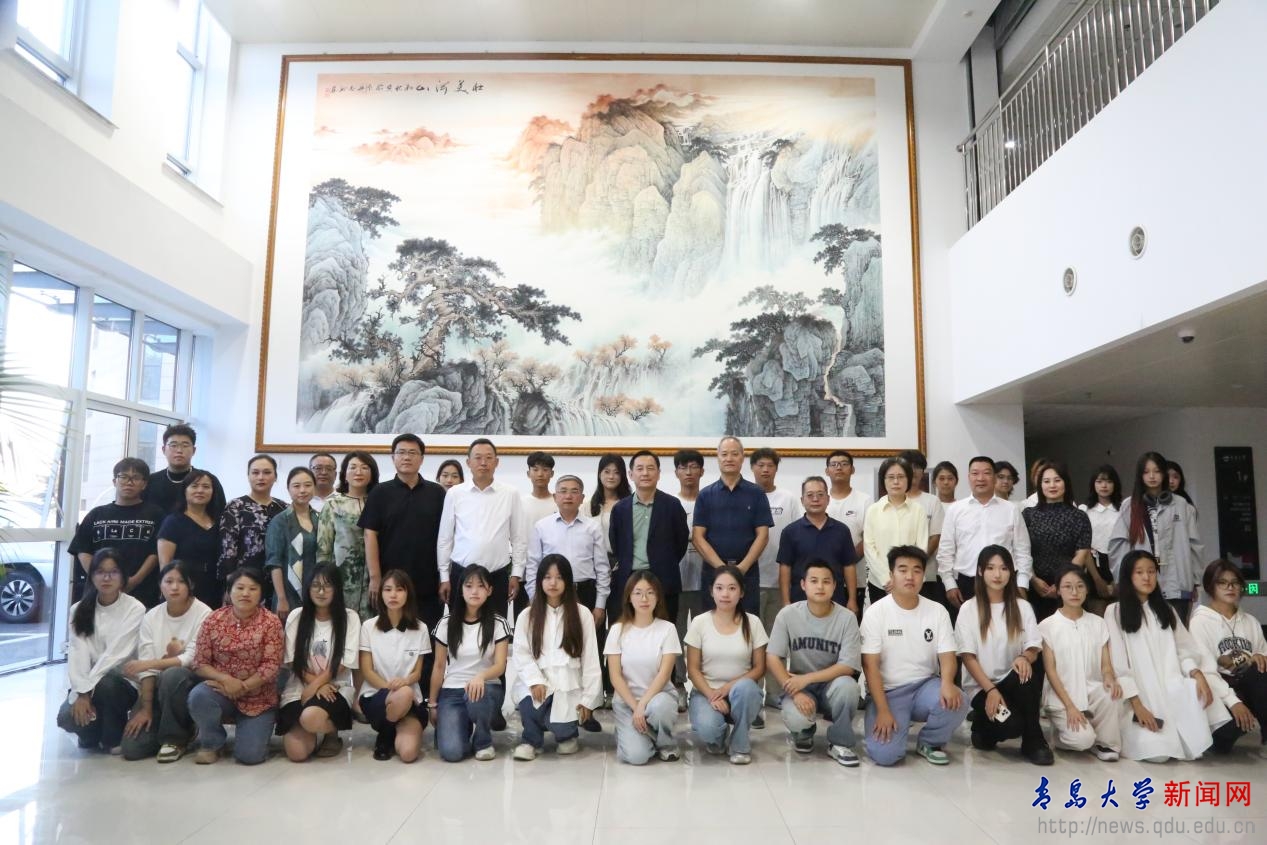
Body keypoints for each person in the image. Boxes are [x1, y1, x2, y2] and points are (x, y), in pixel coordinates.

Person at [1105, 550, 1227, 762]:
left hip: (1171, 688)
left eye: (1151, 571)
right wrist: (1137, 705)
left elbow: (1184, 650)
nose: (1147, 577)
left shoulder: (1166, 609)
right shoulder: (1115, 611)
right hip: (1138, 696)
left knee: (1205, 712)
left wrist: (1196, 673)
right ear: (1128, 576)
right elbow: (1119, 665)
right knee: (1158, 754)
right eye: (1139, 572)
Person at [861, 546, 968, 766]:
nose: (910, 576)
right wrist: (883, 710)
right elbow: (870, 666)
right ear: (891, 575)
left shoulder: (937, 611)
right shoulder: (875, 613)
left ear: (923, 575)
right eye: (903, 570)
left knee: (958, 700)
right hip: (888, 693)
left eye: (917, 570)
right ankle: (887, 725)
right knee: (886, 756)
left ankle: (929, 742)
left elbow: (948, 655)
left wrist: (947, 683)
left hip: (925, 686)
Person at [360, 434, 446, 690]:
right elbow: (370, 534)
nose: (406, 457)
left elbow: (447, 537)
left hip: (428, 584)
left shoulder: (437, 493)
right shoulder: (380, 492)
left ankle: (426, 700)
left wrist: (445, 577)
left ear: (422, 458)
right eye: (401, 452)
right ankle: (386, 694)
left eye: (412, 452)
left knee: (426, 644)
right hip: (391, 587)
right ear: (392, 457)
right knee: (390, 643)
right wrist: (375, 577)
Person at [955, 545, 1053, 765]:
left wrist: (1025, 657)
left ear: (1011, 572)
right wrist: (990, 690)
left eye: (1004, 568)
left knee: (1027, 673)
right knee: (1012, 725)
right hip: (982, 687)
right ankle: (982, 727)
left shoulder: (1022, 607)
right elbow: (968, 657)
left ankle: (1034, 741)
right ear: (980, 571)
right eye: (991, 568)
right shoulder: (969, 609)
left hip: (1013, 681)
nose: (997, 574)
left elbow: (1033, 647)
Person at [527, 474, 609, 732]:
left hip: (584, 591)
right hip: (550, 593)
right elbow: (533, 565)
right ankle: (550, 702)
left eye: (574, 491)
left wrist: (600, 604)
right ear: (555, 496)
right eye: (563, 491)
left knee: (589, 652)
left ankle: (589, 708)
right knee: (556, 649)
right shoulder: (542, 526)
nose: (568, 495)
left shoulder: (592, 527)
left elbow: (602, 567)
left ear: (582, 497)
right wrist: (534, 602)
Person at [766, 560, 863, 765]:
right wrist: (796, 692)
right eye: (814, 581)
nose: (820, 586)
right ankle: (804, 733)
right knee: (796, 718)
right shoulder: (788, 614)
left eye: (826, 581)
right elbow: (773, 656)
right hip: (800, 687)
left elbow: (848, 666)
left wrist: (807, 678)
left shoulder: (847, 618)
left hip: (832, 685)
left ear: (835, 586)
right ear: (803, 585)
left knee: (849, 687)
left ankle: (840, 742)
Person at [188, 567, 284, 765]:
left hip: (259, 698)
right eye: (240, 588)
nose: (246, 593)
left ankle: (251, 732)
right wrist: (226, 680)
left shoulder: (271, 622)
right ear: (229, 592)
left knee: (250, 756)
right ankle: (212, 743)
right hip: (221, 691)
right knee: (199, 696)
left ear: (261, 594)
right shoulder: (213, 620)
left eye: (253, 589)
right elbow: (200, 662)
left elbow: (271, 665)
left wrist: (244, 686)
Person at [510, 555, 602, 760]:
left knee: (562, 730)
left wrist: (588, 700)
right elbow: (521, 653)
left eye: (559, 577)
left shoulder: (582, 614)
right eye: (547, 577)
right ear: (539, 581)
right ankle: (531, 740)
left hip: (568, 686)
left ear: (568, 581)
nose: (553, 583)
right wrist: (535, 681)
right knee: (530, 704)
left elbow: (591, 660)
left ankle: (567, 735)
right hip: (538, 686)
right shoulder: (527, 615)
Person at [120, 561, 213, 762]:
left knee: (173, 674)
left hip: (188, 684)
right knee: (132, 749)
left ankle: (176, 738)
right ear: (160, 585)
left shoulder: (204, 613)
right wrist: (146, 709)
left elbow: (190, 658)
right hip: (156, 686)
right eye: (168, 581)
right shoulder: (152, 616)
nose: (174, 587)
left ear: (190, 585)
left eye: (181, 581)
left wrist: (148, 664)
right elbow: (146, 668)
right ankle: (161, 730)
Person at [57, 549, 146, 754]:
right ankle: (91, 733)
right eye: (100, 572)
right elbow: (78, 653)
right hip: (88, 682)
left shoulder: (135, 608)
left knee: (107, 684)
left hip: (121, 681)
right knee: (65, 718)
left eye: (113, 572)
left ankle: (112, 737)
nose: (106, 578)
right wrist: (81, 692)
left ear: (123, 576)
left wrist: (87, 690)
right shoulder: (79, 609)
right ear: (92, 576)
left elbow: (116, 655)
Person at [1038, 565, 1123, 761]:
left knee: (1111, 693)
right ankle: (1062, 735)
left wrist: (1109, 677)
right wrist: (1070, 706)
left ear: (1087, 589)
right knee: (1082, 741)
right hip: (1062, 697)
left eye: (1080, 586)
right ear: (1058, 590)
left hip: (1091, 690)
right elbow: (1051, 672)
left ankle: (1105, 743)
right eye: (1067, 586)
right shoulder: (1047, 626)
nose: (1074, 592)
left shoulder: (1098, 623)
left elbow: (1105, 665)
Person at [684, 565, 768, 765]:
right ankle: (719, 736)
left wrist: (727, 688)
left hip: (741, 692)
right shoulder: (700, 622)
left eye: (732, 588)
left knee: (747, 689)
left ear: (742, 592)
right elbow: (692, 669)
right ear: (711, 591)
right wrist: (711, 694)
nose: (725, 594)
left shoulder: (753, 622)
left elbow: (759, 668)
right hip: (706, 693)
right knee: (710, 731)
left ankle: (740, 742)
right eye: (719, 588)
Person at [278, 564, 360, 762]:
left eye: (327, 586)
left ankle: (331, 733)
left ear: (337, 589)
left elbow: (344, 662)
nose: (321, 592)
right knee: (296, 754)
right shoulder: (297, 616)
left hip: (335, 687)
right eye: (315, 585)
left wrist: (316, 685)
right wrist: (315, 686)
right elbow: (292, 660)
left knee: (310, 717)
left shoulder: (350, 617)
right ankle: (312, 731)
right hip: (299, 687)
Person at [1108, 452, 1203, 625]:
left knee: (1178, 632)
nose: (1152, 476)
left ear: (1164, 474)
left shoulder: (1181, 505)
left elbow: (1194, 545)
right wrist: (1122, 578)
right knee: (1146, 632)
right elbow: (1118, 545)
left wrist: (1196, 581)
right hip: (1141, 583)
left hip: (1177, 583)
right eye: (1146, 472)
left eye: (1157, 471)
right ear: (1140, 475)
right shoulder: (1130, 505)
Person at [437, 438, 528, 616]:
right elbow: (445, 539)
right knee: (459, 626)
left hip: (497, 576)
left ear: (497, 462)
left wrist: (516, 574)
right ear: (468, 462)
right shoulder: (455, 493)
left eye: (488, 457)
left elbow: (519, 538)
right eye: (478, 457)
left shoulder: (510, 493)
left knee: (496, 627)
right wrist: (444, 577)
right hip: (461, 574)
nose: (483, 463)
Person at [430, 565, 512, 762]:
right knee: (452, 753)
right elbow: (439, 666)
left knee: (476, 695)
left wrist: (480, 676)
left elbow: (500, 666)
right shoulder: (446, 623)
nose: (474, 591)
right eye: (468, 586)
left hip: (487, 689)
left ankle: (483, 741)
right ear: (461, 589)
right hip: (452, 691)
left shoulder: (498, 623)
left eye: (481, 586)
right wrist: (432, 704)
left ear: (489, 590)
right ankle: (461, 724)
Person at [1184, 560, 1265, 757]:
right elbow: (1206, 671)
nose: (1230, 587)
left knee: (1258, 669)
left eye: (1235, 582)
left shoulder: (1251, 622)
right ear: (1210, 586)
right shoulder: (1200, 622)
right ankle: (1222, 733)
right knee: (1225, 738)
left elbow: (1264, 653)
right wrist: (1233, 701)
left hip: (1249, 685)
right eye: (1222, 582)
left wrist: (1260, 656)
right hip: (1219, 691)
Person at [938, 456, 1033, 617]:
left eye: (986, 473)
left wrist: (1022, 584)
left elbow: (1022, 550)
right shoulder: (955, 510)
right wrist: (949, 584)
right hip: (966, 584)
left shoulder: (1011, 509)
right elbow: (945, 551)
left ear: (994, 477)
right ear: (968, 477)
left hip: (1004, 582)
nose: (980, 478)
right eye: (975, 473)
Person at [604, 571, 682, 764]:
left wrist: (642, 705)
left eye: (650, 592)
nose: (644, 599)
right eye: (637, 593)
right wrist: (635, 706)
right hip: (627, 702)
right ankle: (634, 734)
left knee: (659, 708)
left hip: (659, 697)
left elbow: (664, 675)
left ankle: (665, 743)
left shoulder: (667, 629)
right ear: (629, 597)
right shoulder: (617, 630)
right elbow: (615, 677)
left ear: (658, 597)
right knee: (637, 757)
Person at [69, 458, 166, 607]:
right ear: (115, 481)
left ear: (144, 484)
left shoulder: (156, 514)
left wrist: (134, 581)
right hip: (99, 593)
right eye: (123, 477)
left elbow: (156, 553)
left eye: (136, 478)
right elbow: (83, 550)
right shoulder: (96, 514)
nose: (129, 482)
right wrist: (100, 577)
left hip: (142, 592)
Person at [693, 436, 773, 613]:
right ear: (718, 458)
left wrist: (742, 568)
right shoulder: (705, 495)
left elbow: (763, 535)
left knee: (748, 622)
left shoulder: (756, 493)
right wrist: (721, 569)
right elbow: (698, 537)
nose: (729, 458)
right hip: (713, 572)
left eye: (734, 454)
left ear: (742, 458)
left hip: (747, 572)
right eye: (724, 454)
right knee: (712, 622)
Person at [359, 570, 431, 763]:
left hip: (409, 698)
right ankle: (385, 734)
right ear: (380, 594)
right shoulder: (369, 627)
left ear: (408, 594)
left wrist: (405, 682)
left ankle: (390, 730)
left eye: (399, 590)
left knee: (408, 754)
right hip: (376, 695)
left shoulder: (421, 628)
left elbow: (417, 672)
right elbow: (367, 670)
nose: (393, 595)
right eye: (388, 589)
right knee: (403, 693)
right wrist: (390, 687)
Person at [609, 450, 690, 621]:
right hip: (629, 582)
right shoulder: (620, 509)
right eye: (640, 468)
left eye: (650, 468)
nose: (645, 473)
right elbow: (616, 544)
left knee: (664, 629)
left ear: (659, 474)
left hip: (664, 582)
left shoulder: (672, 506)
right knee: (628, 629)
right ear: (631, 474)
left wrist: (664, 563)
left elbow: (681, 542)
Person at [749, 448, 802, 663]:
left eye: (770, 465)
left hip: (780, 581)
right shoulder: (746, 496)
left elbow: (797, 535)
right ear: (752, 468)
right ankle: (752, 682)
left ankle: (775, 684)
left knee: (776, 641)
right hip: (751, 579)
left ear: (776, 469)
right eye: (760, 465)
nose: (765, 470)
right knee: (751, 641)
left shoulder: (788, 499)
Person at [1023, 461, 1093, 622]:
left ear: (1065, 483)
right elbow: (1022, 551)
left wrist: (1062, 582)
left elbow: (1082, 553)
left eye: (1057, 480)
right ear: (1040, 485)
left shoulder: (1079, 516)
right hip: (1036, 586)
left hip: (1070, 586)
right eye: (1046, 481)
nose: (1052, 485)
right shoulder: (1028, 515)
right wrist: (1033, 578)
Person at [778, 477, 858, 611]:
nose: (815, 499)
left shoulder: (842, 530)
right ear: (802, 500)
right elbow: (785, 568)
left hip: (836, 601)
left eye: (820, 495)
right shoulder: (790, 532)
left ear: (828, 499)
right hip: (799, 601)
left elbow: (849, 566)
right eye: (810, 495)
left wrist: (852, 599)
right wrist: (786, 601)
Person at [316, 450, 379, 620]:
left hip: (375, 579)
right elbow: (323, 549)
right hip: (342, 577)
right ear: (344, 474)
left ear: (372, 474)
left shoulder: (380, 502)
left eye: (364, 468)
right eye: (353, 467)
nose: (358, 472)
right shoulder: (333, 504)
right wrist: (324, 581)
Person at [216, 455, 285, 602]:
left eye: (267, 472)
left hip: (277, 584)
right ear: (248, 476)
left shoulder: (284, 508)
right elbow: (228, 550)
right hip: (244, 584)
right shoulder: (236, 506)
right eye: (255, 472)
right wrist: (230, 586)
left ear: (275, 477)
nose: (261, 477)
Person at [863, 457, 929, 607]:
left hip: (910, 581)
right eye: (891, 477)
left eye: (901, 477)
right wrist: (886, 578)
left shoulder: (918, 510)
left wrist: (905, 576)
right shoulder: (873, 510)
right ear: (883, 480)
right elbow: (869, 547)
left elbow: (921, 547)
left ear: (908, 480)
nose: (896, 482)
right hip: (880, 584)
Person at [157, 469, 223, 608]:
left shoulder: (220, 522)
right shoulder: (173, 522)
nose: (200, 490)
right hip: (183, 586)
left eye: (206, 486)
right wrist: (167, 589)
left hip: (215, 588)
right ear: (185, 491)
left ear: (213, 491)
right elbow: (165, 563)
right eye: (194, 486)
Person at [672, 448, 706, 710]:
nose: (689, 472)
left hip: (706, 583)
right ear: (676, 472)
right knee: (675, 637)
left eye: (694, 466)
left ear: (702, 471)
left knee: (705, 637)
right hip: (676, 582)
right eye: (683, 467)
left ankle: (704, 687)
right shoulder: (671, 504)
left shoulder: (710, 502)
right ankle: (678, 685)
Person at [265, 467, 319, 619]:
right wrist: (281, 598)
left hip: (316, 591)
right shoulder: (280, 521)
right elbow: (274, 563)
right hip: (288, 593)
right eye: (296, 486)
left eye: (307, 485)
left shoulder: (320, 518)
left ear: (314, 487)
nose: (302, 490)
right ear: (288, 489)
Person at [142, 424, 227, 516]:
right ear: (163, 449)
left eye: (185, 445)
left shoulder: (208, 481)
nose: (179, 450)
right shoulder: (151, 481)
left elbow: (221, 515)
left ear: (194, 450)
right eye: (173, 445)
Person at [898, 449, 946, 603]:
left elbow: (935, 537)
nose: (913, 471)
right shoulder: (890, 500)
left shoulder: (932, 501)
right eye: (908, 466)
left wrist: (918, 561)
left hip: (927, 574)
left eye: (917, 467)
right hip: (897, 574)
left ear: (923, 471)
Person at [1079, 464, 1122, 614]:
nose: (1104, 486)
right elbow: (1083, 546)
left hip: (1118, 563)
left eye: (1109, 481)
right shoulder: (1085, 510)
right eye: (1099, 481)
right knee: (1096, 613)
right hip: (1092, 564)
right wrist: (1097, 579)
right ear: (1093, 484)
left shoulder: (1122, 510)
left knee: (1118, 615)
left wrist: (1118, 578)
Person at [824, 449, 871, 565]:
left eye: (844, 464)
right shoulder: (819, 500)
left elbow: (869, 538)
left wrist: (848, 561)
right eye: (834, 464)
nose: (839, 468)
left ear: (852, 470)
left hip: (856, 568)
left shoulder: (865, 501)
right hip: (823, 569)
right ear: (827, 471)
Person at [590, 452, 631, 568]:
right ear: (599, 474)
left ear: (622, 476)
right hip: (593, 563)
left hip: (621, 563)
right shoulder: (588, 506)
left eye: (616, 472)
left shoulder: (629, 505)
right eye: (607, 472)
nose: (611, 477)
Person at [522, 450, 558, 526]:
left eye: (545, 470)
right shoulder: (520, 502)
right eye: (535, 470)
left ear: (552, 474)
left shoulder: (559, 503)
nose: (540, 474)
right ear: (528, 474)